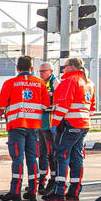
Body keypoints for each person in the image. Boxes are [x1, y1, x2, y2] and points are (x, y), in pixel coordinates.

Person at [0, 56, 49, 201]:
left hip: (17, 126)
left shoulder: (10, 83)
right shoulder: (40, 83)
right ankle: (32, 191)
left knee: (18, 158)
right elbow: (46, 104)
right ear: (32, 68)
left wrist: (0, 112)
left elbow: (1, 104)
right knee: (32, 158)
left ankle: (15, 191)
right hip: (34, 127)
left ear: (17, 68)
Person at [44, 57, 96, 201]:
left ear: (72, 66)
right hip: (83, 125)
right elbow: (92, 108)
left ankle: (59, 191)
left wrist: (54, 124)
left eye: (65, 66)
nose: (63, 69)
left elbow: (63, 105)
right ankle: (74, 191)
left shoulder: (70, 81)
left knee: (62, 156)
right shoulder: (89, 83)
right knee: (77, 157)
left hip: (70, 124)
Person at [36, 62, 59, 193]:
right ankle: (41, 180)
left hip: (50, 125)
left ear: (51, 71)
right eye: (40, 71)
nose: (41, 74)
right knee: (42, 153)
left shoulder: (56, 83)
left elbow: (57, 102)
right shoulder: (40, 83)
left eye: (43, 71)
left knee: (52, 154)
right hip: (41, 124)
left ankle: (53, 180)